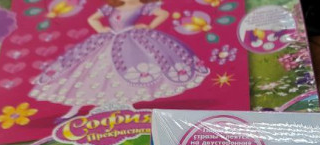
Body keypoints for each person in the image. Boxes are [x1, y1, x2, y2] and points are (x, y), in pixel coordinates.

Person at [29, 0, 210, 118]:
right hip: (109, 40)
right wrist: (101, 30)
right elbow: (93, 19)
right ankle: (76, 107)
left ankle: (127, 103)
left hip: (133, 40)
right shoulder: (111, 7)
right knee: (90, 71)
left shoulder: (141, 5)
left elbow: (163, 14)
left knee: (135, 68)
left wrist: (148, 25)